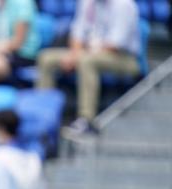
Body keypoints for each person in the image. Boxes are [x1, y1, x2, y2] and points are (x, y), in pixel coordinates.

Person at [37, 0, 141, 136]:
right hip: (88, 52)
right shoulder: (86, 2)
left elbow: (115, 44)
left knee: (86, 61)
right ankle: (43, 116)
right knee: (46, 58)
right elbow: (77, 33)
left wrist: (79, 55)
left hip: (124, 58)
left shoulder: (124, 5)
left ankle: (86, 120)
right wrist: (74, 55)